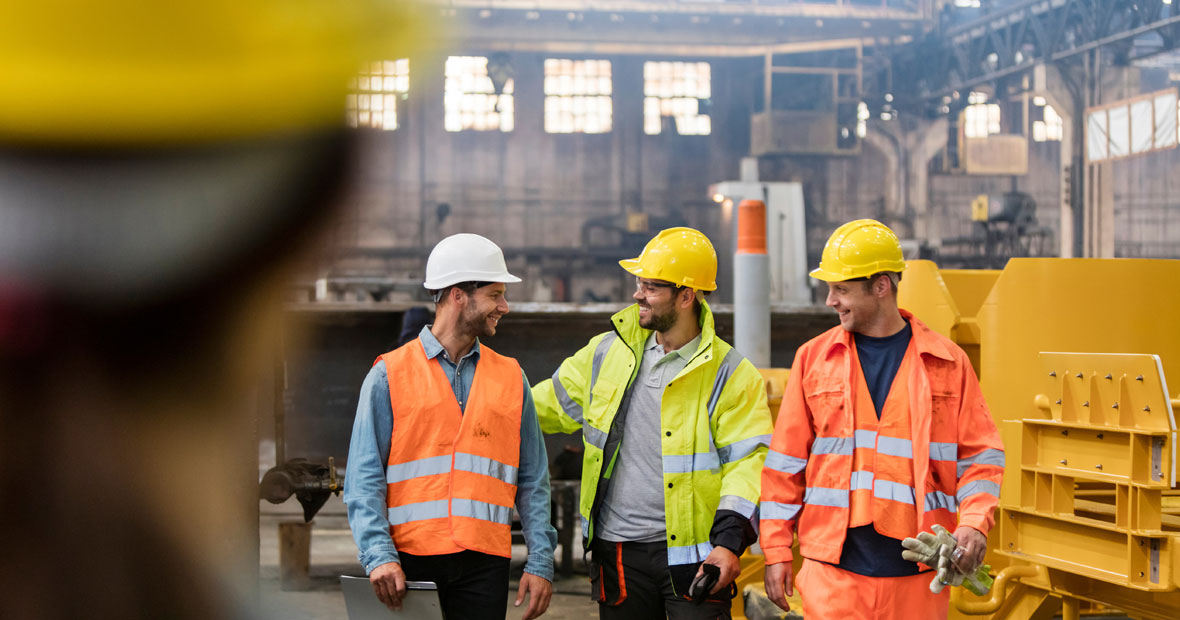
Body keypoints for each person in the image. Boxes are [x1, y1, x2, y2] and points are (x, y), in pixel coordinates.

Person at [760, 220, 1005, 620]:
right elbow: (784, 464)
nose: (830, 300)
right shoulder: (812, 359)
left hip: (919, 576)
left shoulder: (947, 363)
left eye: (841, 289)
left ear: (880, 286)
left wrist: (975, 523)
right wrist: (774, 549)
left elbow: (981, 455)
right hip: (833, 573)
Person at [533, 227, 773, 620]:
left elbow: (749, 465)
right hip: (618, 553)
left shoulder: (730, 373)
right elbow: (541, 405)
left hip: (697, 559)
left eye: (650, 287)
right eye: (638, 283)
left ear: (686, 296)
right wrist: (481, 399)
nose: (637, 295)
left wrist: (729, 544)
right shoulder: (607, 353)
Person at [343, 233, 557, 620]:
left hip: (485, 565)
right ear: (458, 295)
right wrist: (378, 556)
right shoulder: (388, 375)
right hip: (408, 563)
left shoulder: (512, 376)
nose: (504, 307)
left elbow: (533, 478)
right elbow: (363, 478)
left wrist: (540, 561)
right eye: (495, 294)